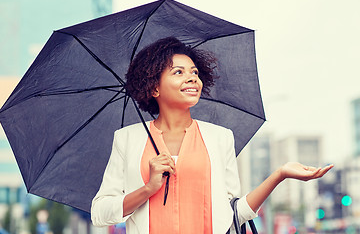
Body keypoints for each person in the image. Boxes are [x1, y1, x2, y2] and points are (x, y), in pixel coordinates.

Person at [91, 37, 333, 234]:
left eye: (194, 72)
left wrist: (280, 174)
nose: (192, 78)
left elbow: (234, 212)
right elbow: (100, 213)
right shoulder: (127, 139)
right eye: (178, 72)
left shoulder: (220, 138)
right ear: (154, 87)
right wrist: (148, 188)